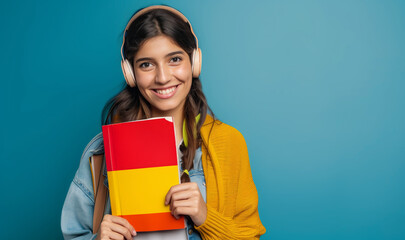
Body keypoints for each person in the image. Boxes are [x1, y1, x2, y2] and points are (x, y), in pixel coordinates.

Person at [61, 5, 266, 240]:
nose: (163, 77)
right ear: (130, 73)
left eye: (175, 59)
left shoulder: (229, 143)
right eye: (146, 64)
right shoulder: (101, 152)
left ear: (194, 61)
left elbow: (249, 236)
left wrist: (204, 217)